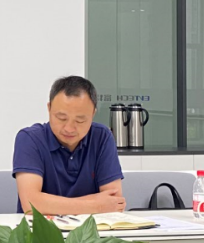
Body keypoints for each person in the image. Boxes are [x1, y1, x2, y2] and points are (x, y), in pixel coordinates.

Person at [12, 75, 125, 215]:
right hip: (41, 228)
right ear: (49, 108)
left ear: (93, 114)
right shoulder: (30, 139)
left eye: (80, 120)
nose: (69, 129)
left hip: (91, 228)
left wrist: (50, 204)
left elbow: (114, 203)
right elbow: (31, 205)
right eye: (61, 118)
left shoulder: (102, 137)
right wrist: (97, 205)